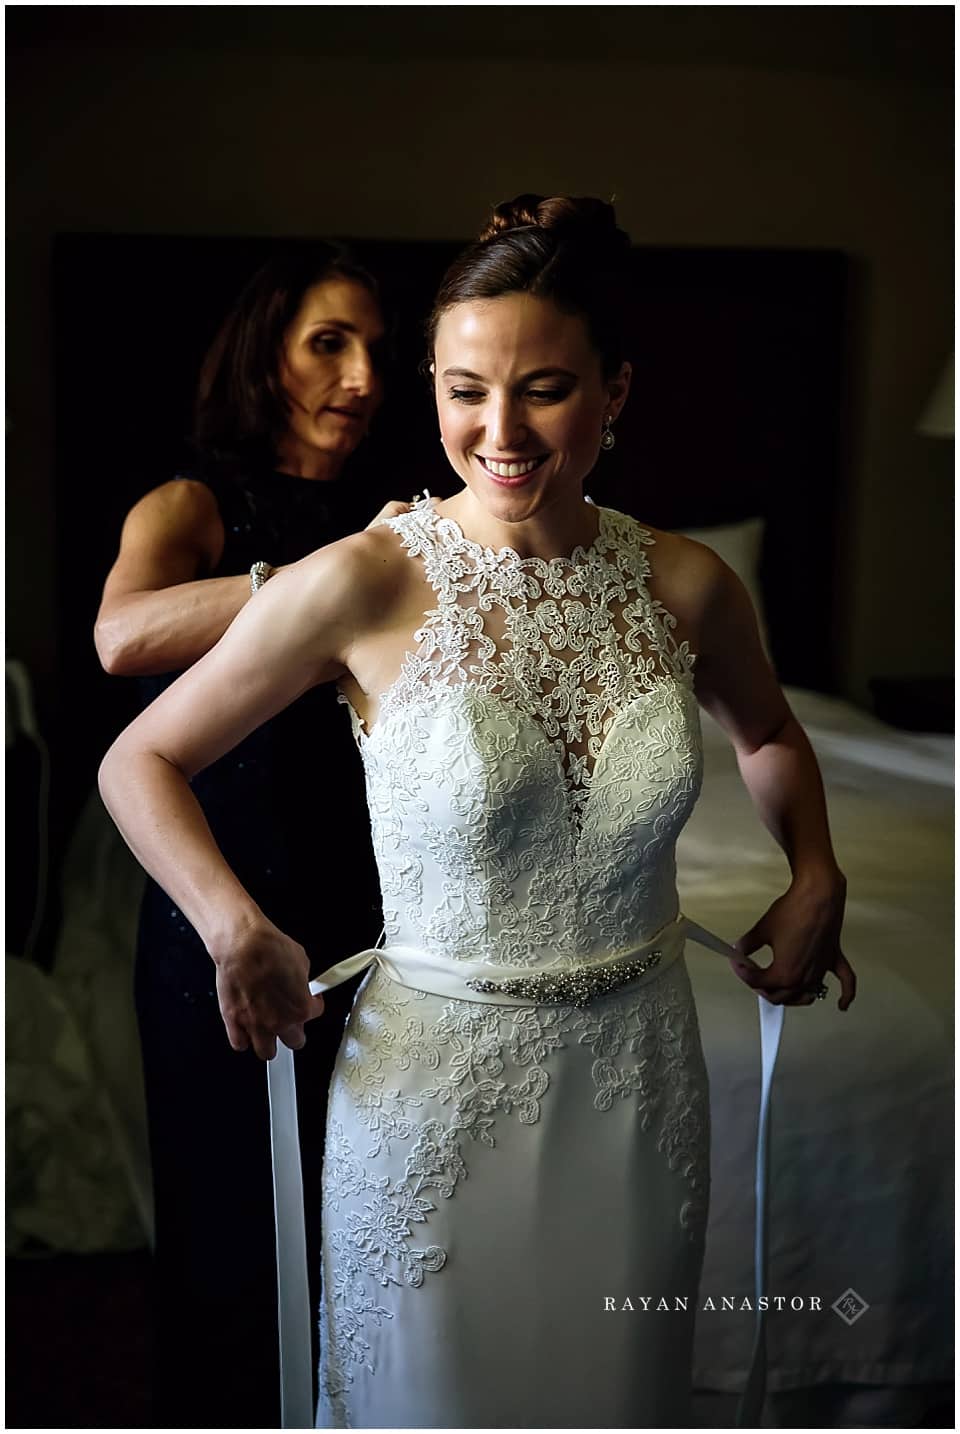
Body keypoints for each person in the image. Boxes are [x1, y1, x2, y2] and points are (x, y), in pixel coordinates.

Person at [98, 195, 855, 1429]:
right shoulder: (366, 576)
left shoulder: (687, 582)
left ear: (617, 390)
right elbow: (140, 759)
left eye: (546, 390)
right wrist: (233, 926)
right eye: (462, 390)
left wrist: (816, 869)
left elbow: (768, 731)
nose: (498, 431)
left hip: (638, 1077)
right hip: (431, 1092)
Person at [94, 243, 412, 1428]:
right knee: (230, 1220)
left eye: (378, 346)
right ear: (266, 354)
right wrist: (322, 580)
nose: (362, 373)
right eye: (329, 342)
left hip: (368, 907)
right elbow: (120, 640)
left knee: (362, 1217)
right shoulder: (193, 507)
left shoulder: (405, 522)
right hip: (216, 907)